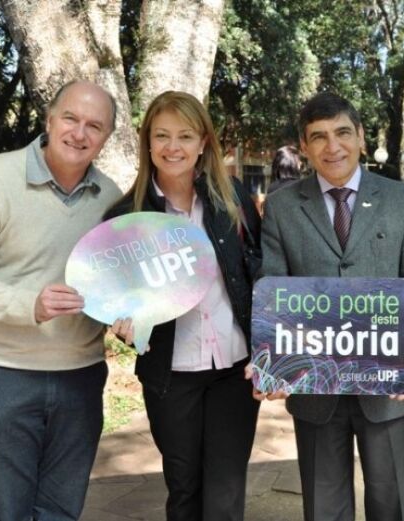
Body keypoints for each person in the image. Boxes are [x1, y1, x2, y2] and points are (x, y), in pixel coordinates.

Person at [0, 80, 122, 520]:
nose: (80, 133)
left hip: (81, 377)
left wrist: (131, 314)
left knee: (61, 511)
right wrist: (29, 305)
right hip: (5, 374)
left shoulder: (113, 200)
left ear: (106, 137)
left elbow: (122, 286)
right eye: (71, 119)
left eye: (94, 126)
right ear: (49, 119)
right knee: (9, 511)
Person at [258, 92, 404, 521]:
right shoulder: (282, 207)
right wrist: (271, 357)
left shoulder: (401, 198)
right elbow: (273, 289)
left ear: (360, 136)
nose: (332, 146)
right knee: (323, 508)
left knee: (391, 503)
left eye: (342, 132)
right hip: (315, 389)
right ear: (304, 147)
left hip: (388, 383)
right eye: (318, 137)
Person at [107, 90, 261, 521]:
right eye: (162, 136)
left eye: (185, 135)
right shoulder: (127, 215)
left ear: (204, 143)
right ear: (148, 144)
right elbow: (111, 297)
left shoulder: (231, 199)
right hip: (170, 376)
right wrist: (118, 322)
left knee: (226, 493)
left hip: (233, 367)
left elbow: (257, 273)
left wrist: (269, 348)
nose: (173, 147)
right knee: (184, 489)